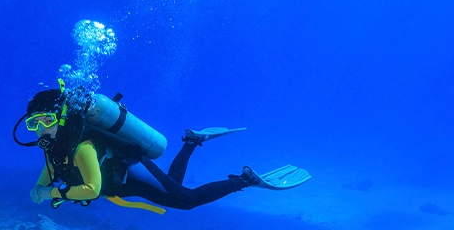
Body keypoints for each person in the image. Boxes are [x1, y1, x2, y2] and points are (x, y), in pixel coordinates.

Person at [15, 84, 310, 213]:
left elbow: (91, 189)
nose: (41, 129)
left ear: (62, 117)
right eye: (33, 124)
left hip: (130, 169)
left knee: (186, 200)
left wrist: (47, 192)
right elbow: (53, 166)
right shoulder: (58, 144)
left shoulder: (82, 147)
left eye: (45, 120)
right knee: (176, 188)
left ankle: (243, 180)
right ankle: (193, 141)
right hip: (124, 185)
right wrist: (38, 186)